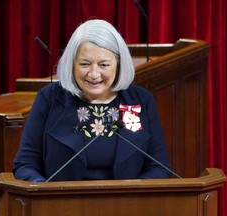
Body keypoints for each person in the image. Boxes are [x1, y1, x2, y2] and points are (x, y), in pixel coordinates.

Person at [13, 19, 171, 182]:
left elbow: (159, 167)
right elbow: (25, 164)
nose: (94, 74)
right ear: (71, 64)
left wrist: (132, 194)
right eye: (85, 64)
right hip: (62, 204)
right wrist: (43, 191)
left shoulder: (140, 100)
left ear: (118, 65)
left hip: (126, 205)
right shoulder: (49, 99)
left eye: (104, 65)